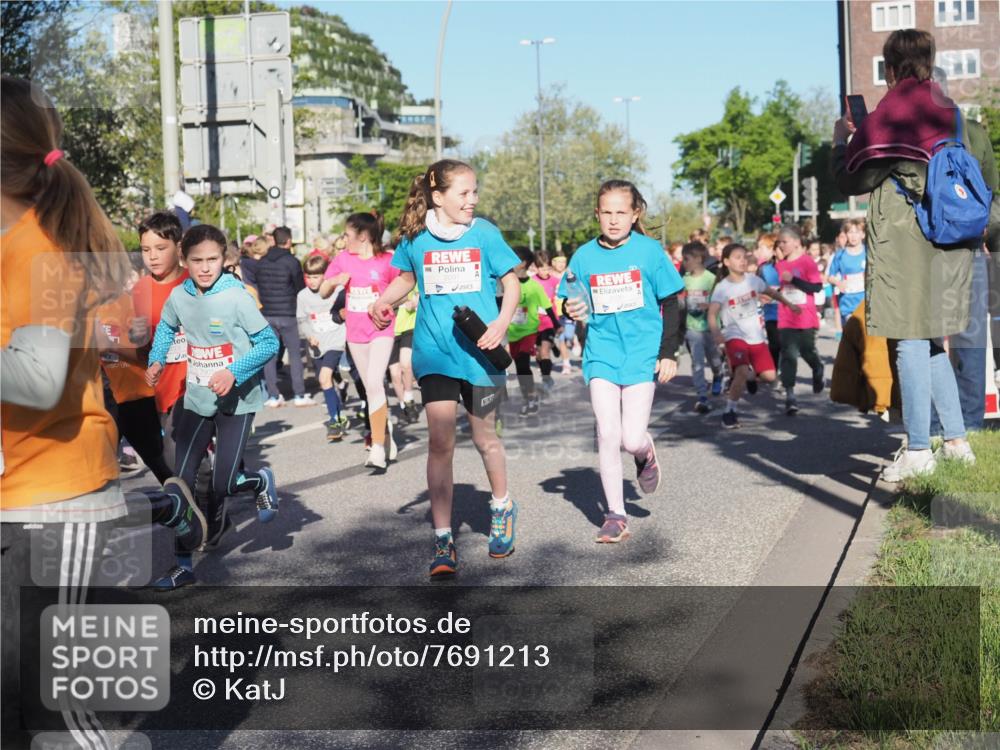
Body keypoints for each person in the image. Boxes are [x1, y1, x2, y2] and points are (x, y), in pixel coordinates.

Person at [0, 75, 203, 748]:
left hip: (53, 506)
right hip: (18, 500)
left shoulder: (42, 246)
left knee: (70, 724)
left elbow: (36, 378)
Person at [832, 28, 991, 481]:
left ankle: (919, 449)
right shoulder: (951, 112)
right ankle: (957, 442)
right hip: (951, 237)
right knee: (931, 339)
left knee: (906, 340)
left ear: (889, 68)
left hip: (907, 240)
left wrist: (841, 141)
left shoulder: (889, 115)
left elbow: (852, 181)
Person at [370, 159, 520, 577]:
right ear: (438, 197)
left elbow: (512, 282)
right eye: (464, 193)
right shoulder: (417, 238)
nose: (472, 200)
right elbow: (405, 279)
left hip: (482, 355)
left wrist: (501, 323)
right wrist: (385, 301)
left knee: (484, 435)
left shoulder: (485, 233)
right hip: (434, 354)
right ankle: (442, 538)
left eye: (475, 192)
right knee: (440, 441)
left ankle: (502, 507)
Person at [146, 224, 281, 589]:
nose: (205, 267)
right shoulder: (179, 296)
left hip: (237, 399)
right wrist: (157, 360)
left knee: (223, 484)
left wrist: (233, 372)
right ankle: (183, 566)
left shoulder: (236, 296)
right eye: (197, 260)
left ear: (225, 259)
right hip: (197, 397)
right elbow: (165, 328)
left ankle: (257, 481)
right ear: (184, 260)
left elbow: (270, 343)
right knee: (181, 484)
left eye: (213, 259)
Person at [558, 180, 684, 543]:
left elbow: (672, 302)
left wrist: (668, 353)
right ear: (597, 214)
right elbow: (570, 302)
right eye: (607, 213)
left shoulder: (649, 252)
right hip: (601, 355)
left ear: (635, 214)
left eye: (621, 213)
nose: (613, 220)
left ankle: (644, 452)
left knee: (630, 438)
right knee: (608, 434)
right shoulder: (583, 256)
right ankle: (616, 515)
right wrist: (571, 308)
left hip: (643, 354)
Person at [320, 212, 401, 470]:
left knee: (376, 381)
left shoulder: (388, 260)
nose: (344, 240)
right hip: (355, 333)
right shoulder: (343, 259)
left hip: (381, 328)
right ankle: (385, 435)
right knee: (370, 388)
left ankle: (377, 447)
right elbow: (323, 291)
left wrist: (386, 304)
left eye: (347, 235)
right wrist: (334, 282)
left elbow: (404, 289)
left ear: (363, 236)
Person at [708, 244, 801, 429]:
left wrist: (788, 304)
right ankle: (729, 412)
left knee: (769, 376)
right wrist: (717, 333)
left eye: (744, 257)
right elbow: (712, 314)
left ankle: (751, 377)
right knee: (740, 370)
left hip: (756, 336)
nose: (742, 261)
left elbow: (771, 292)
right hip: (734, 334)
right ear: (726, 262)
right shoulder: (722, 287)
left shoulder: (753, 280)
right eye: (737, 257)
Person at [256, 226, 310, 407]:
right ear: (288, 241)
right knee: (295, 354)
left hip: (267, 314)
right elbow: (300, 289)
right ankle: (299, 394)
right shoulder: (292, 262)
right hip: (288, 313)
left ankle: (273, 395)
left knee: (270, 355)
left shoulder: (261, 262)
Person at [298, 254, 350, 441]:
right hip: (317, 346)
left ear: (325, 276)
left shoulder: (336, 291)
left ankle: (334, 421)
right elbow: (302, 320)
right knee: (328, 381)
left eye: (316, 276)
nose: (312, 281)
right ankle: (340, 412)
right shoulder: (302, 296)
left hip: (336, 341)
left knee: (323, 378)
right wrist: (309, 335)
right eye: (309, 277)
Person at [775, 225, 825, 415]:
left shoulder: (807, 262)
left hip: (806, 318)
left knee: (806, 351)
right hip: (786, 318)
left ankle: (817, 367)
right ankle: (790, 396)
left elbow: (816, 288)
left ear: (796, 243)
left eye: (785, 242)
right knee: (788, 355)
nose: (782, 245)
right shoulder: (780, 264)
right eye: (780, 242)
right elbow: (778, 289)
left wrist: (794, 280)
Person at [507, 247, 560, 416]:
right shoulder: (507, 284)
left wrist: (557, 325)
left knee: (523, 363)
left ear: (522, 264)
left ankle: (530, 398)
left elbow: (547, 307)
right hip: (513, 332)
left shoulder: (535, 287)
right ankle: (528, 396)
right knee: (521, 369)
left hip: (529, 331)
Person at [681, 241, 723, 412]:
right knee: (697, 362)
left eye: (687, 259)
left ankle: (718, 374)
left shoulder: (711, 279)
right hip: (693, 327)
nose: (684, 263)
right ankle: (702, 395)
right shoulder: (684, 280)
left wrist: (710, 306)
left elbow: (720, 301)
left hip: (710, 327)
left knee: (714, 359)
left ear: (698, 259)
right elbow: (681, 300)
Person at [827, 220, 867, 329]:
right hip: (848, 302)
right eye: (850, 232)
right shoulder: (840, 254)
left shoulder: (868, 252)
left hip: (866, 301)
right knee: (854, 332)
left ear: (863, 234)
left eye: (857, 232)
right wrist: (838, 283)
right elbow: (830, 277)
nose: (853, 236)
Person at [388, 288, 420, 424]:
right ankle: (404, 406)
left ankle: (409, 399)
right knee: (395, 374)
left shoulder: (408, 274)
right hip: (389, 330)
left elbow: (419, 292)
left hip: (408, 325)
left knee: (406, 364)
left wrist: (415, 302)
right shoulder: (384, 277)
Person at [532, 251, 562, 393]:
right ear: (535, 268)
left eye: (547, 268)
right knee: (538, 354)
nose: (545, 272)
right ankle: (554, 346)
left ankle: (546, 378)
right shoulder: (531, 281)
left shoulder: (555, 281)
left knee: (544, 352)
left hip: (550, 321)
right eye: (541, 269)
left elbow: (565, 294)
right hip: (534, 323)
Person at [754, 232, 782, 372]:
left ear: (773, 249)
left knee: (787, 346)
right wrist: (761, 296)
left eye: (762, 248)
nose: (759, 251)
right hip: (771, 313)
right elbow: (755, 289)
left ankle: (784, 372)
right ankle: (775, 372)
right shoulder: (763, 269)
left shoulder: (788, 266)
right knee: (774, 344)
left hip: (788, 313)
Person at [550, 252, 575, 374]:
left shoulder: (569, 274)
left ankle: (574, 339)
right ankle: (566, 363)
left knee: (569, 335)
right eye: (558, 262)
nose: (561, 264)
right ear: (553, 262)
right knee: (562, 338)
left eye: (563, 262)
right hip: (555, 311)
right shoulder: (548, 275)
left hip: (569, 311)